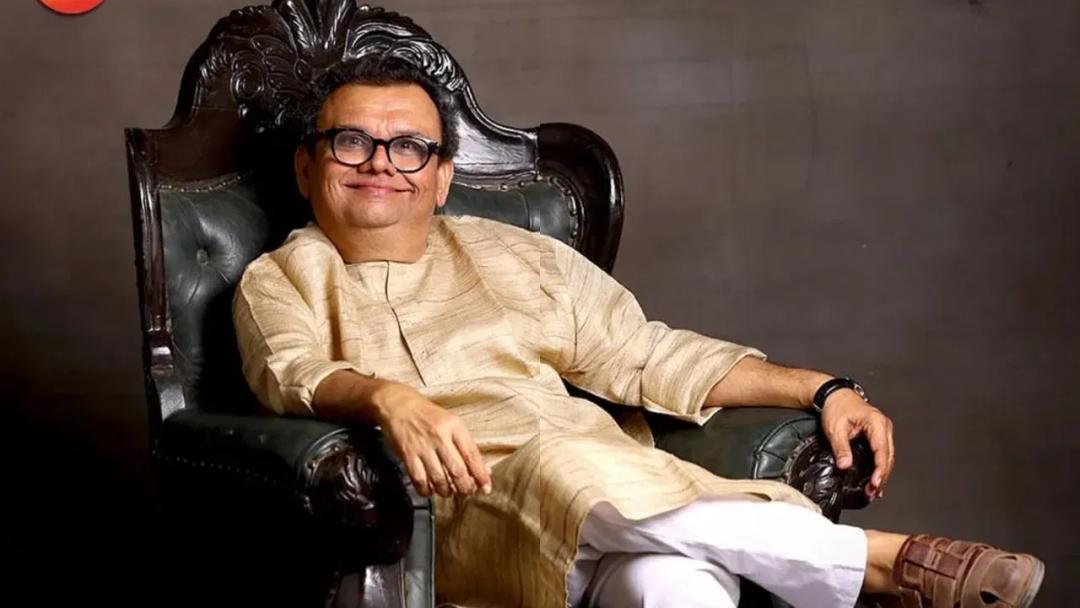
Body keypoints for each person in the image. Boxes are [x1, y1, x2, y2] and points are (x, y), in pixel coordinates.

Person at [232, 55, 1045, 608]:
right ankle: (887, 565)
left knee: (672, 587)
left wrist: (823, 388)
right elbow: (290, 371)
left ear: (442, 177)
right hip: (462, 518)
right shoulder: (281, 278)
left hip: (617, 504)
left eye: (409, 147)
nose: (381, 162)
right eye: (351, 141)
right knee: (562, 462)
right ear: (308, 167)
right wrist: (391, 399)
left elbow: (646, 353)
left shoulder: (516, 256)